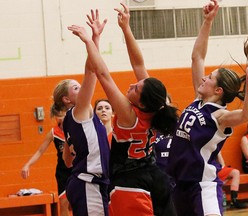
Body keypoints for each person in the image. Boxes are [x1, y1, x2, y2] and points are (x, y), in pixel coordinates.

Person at [67, 3, 178, 216]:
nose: (131, 85)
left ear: (141, 103)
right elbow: (138, 64)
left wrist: (89, 40)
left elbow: (103, 74)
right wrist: (126, 28)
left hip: (130, 182)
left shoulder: (129, 115)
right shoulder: (157, 106)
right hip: (156, 176)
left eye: (135, 88)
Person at [167, 0, 248, 215]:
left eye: (209, 77)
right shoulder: (198, 100)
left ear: (218, 91)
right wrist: (207, 22)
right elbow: (197, 57)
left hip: (202, 184)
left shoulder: (220, 116)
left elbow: (247, 114)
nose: (204, 78)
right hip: (180, 183)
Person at [60, 9, 110, 216]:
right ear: (67, 99)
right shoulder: (78, 111)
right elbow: (92, 71)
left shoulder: (72, 119)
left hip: (85, 181)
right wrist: (90, 40)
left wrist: (95, 38)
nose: (80, 88)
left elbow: (67, 161)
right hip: (89, 182)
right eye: (75, 88)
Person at [21, 108, 72, 216]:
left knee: (80, 203)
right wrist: (27, 165)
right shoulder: (54, 132)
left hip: (78, 170)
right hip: (63, 173)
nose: (63, 116)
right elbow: (40, 151)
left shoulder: (77, 129)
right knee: (63, 204)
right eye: (60, 114)